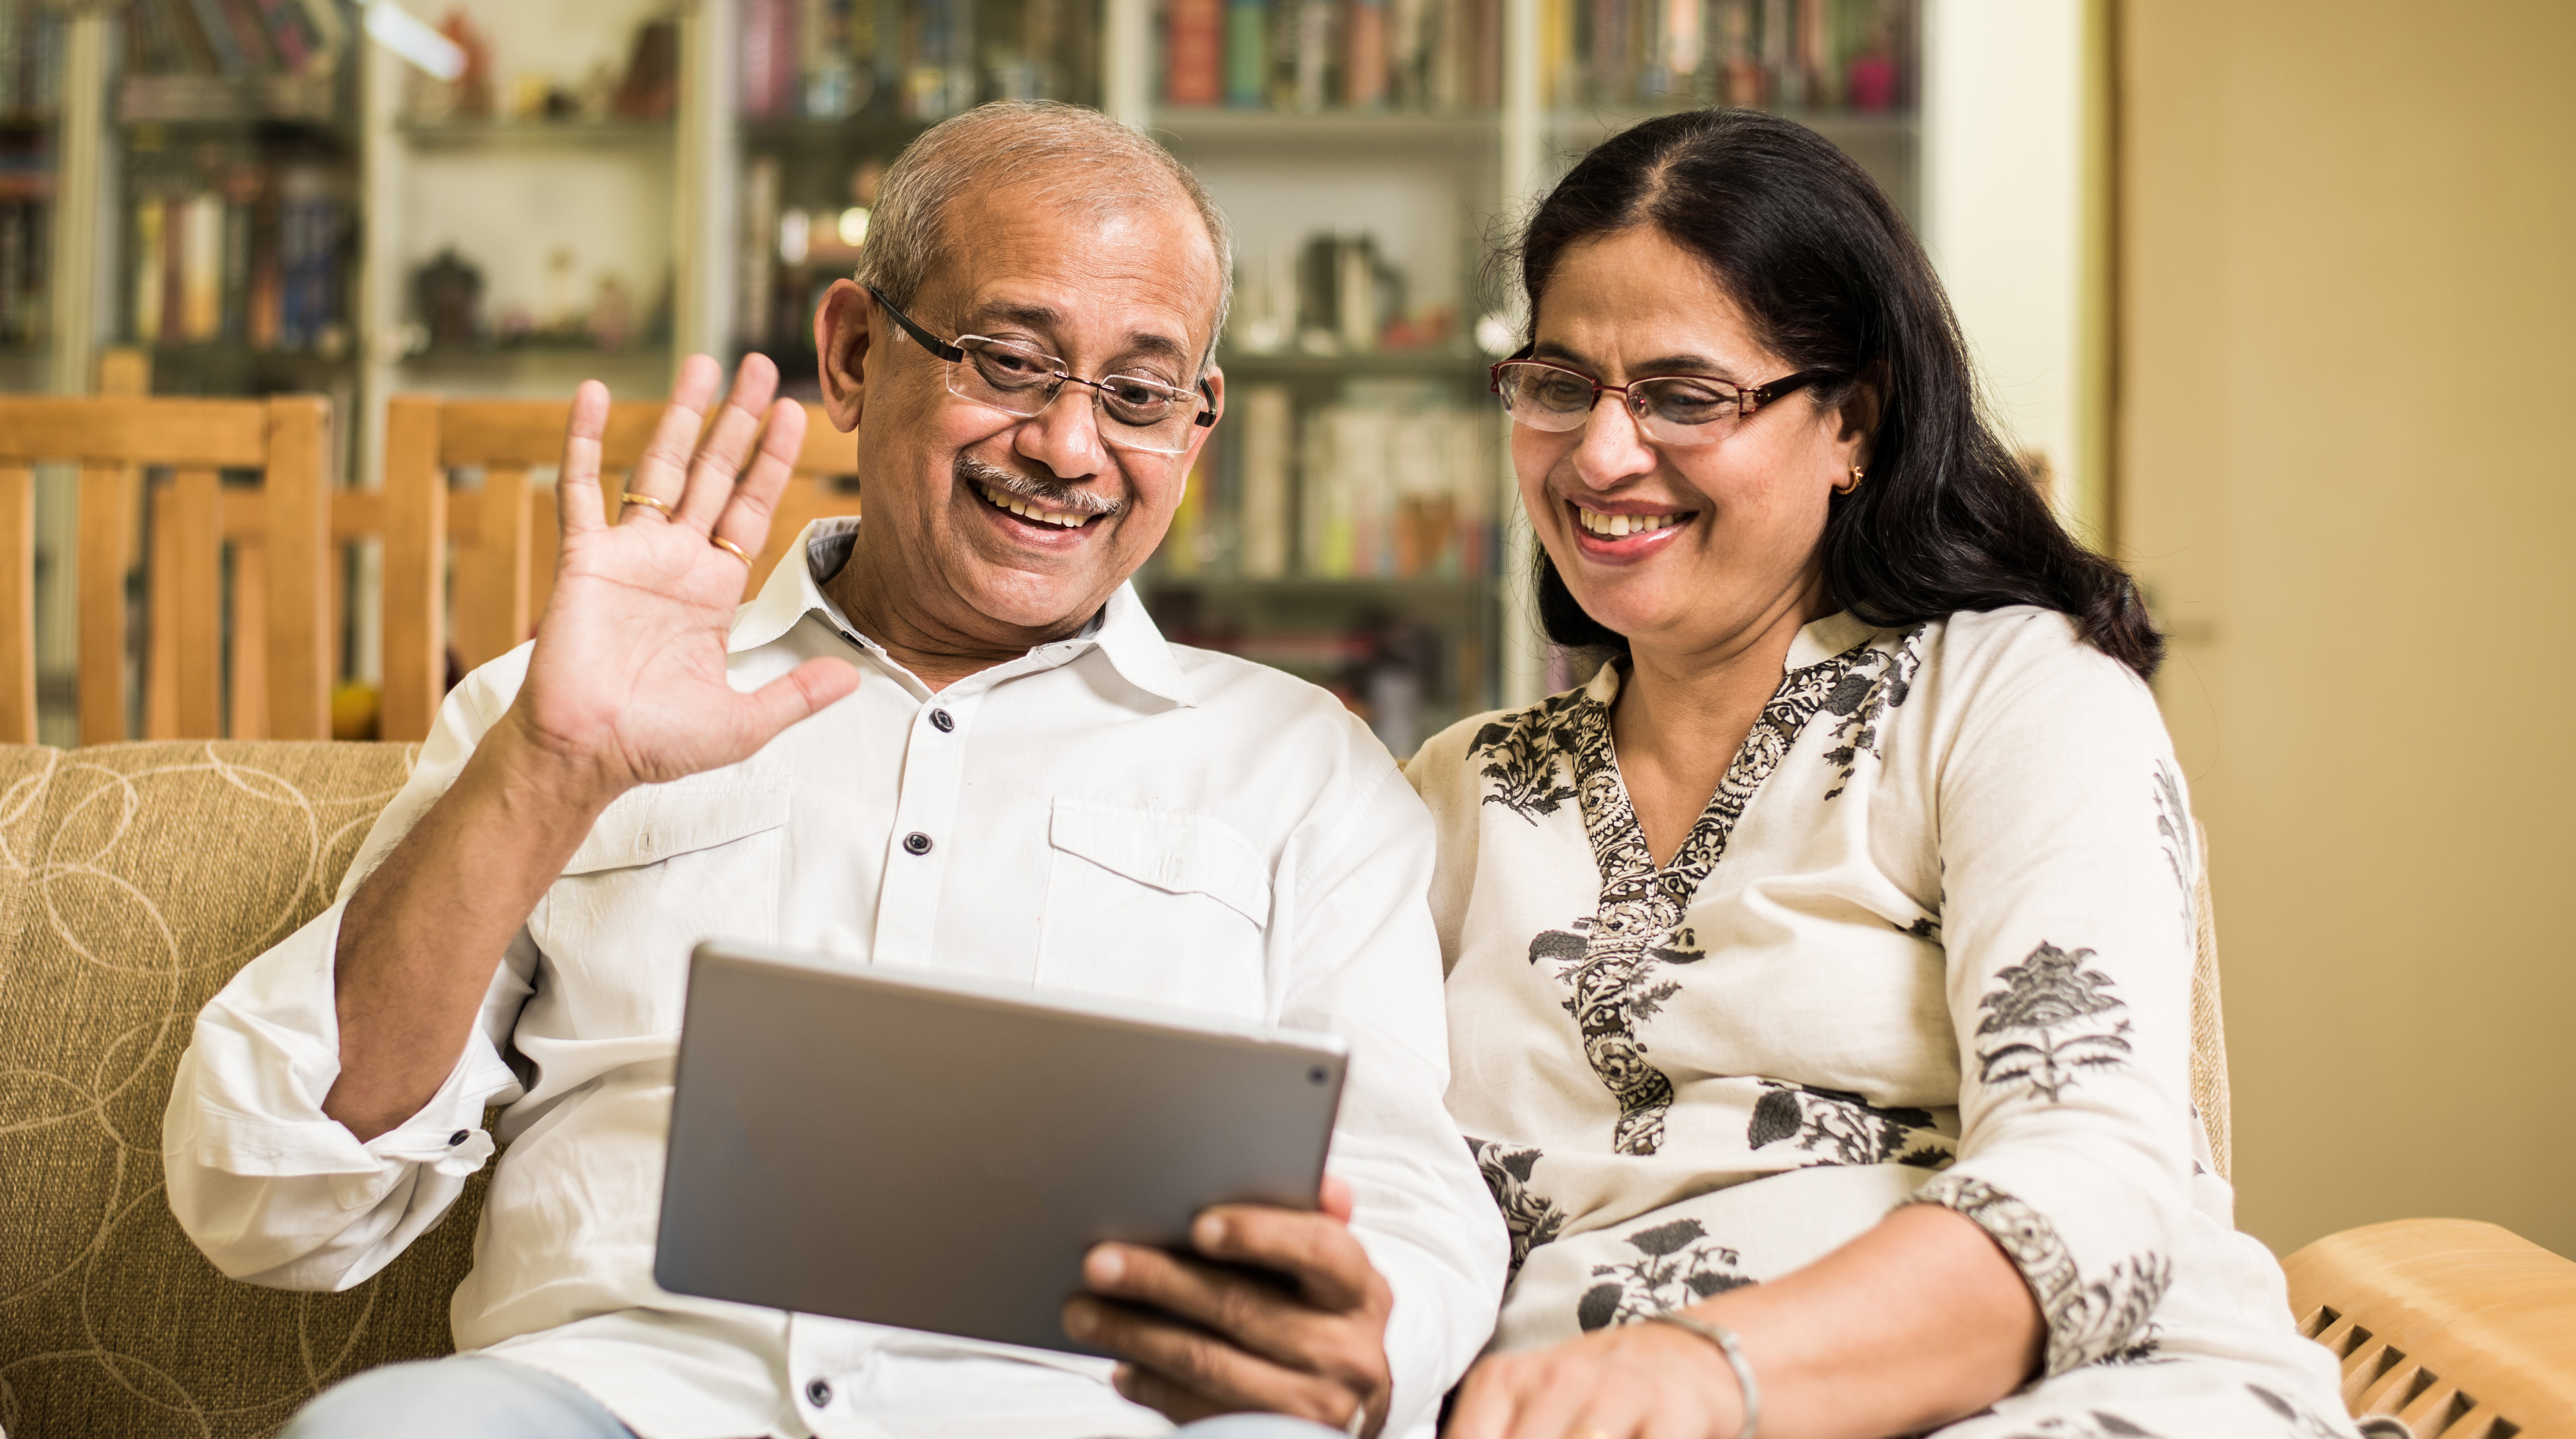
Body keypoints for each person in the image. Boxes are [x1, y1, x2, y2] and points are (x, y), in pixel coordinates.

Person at [163, 100, 1504, 1439]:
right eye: (1012, 360)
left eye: (1138, 395)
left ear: (1194, 428)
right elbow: (265, 1194)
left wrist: (1353, 1333)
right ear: (857, 354)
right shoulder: (568, 704)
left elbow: (1406, 1198)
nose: (1069, 445)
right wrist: (546, 774)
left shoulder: (1304, 769)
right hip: (623, 1401)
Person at [1405, 109, 2371, 1439]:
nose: (1602, 454)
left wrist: (1703, 1370)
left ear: (1851, 421)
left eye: (1686, 396)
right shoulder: (1455, 795)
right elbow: (1384, 1202)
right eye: (1562, 383)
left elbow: (2092, 1181)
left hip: (2067, 1396)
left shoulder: (2012, 697)